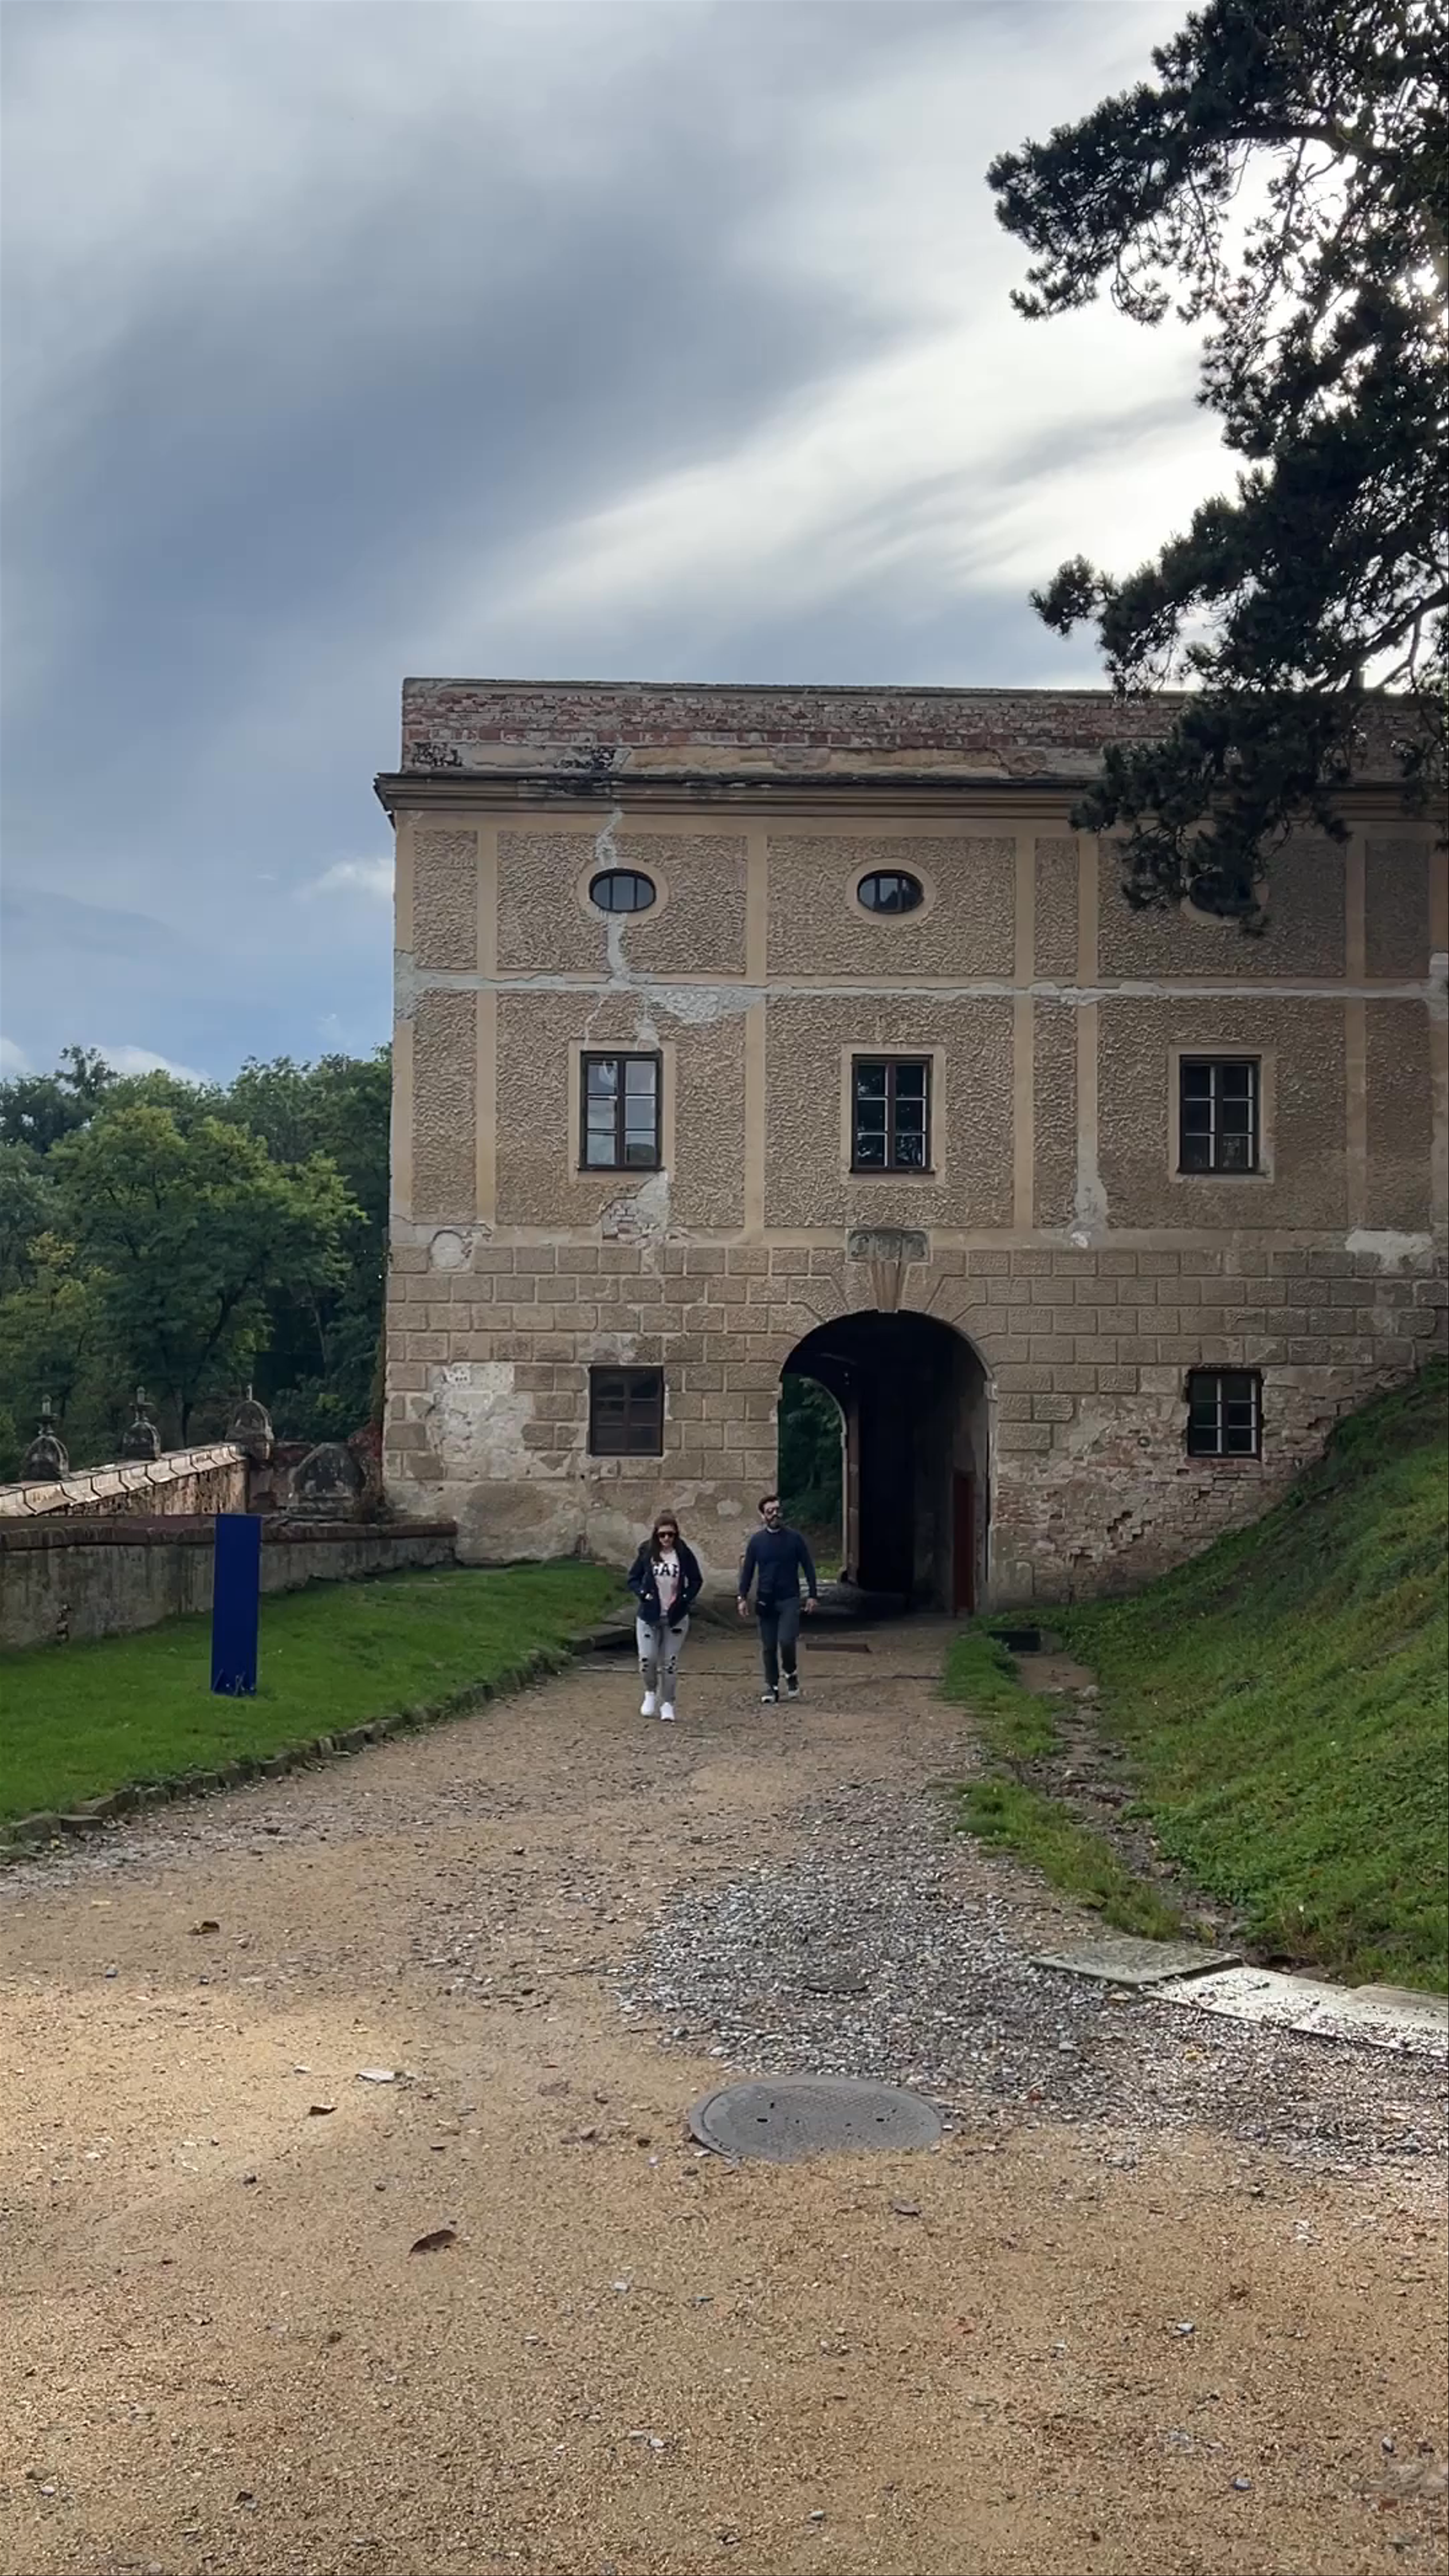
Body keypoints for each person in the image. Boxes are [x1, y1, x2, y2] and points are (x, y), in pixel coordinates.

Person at [736, 1493, 818, 1704]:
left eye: (777, 1510)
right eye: (770, 1511)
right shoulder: (757, 1542)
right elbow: (748, 1570)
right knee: (769, 1646)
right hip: (766, 1599)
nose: (775, 1514)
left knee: (787, 1641)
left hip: (789, 1597)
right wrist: (742, 1597)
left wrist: (812, 1594)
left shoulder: (795, 1539)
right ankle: (771, 1686)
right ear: (763, 1516)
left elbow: (808, 1566)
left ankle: (790, 1673)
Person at [625, 1511, 703, 1723]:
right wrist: (643, 1594)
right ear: (656, 1536)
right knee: (647, 1659)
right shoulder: (647, 1553)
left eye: (671, 1535)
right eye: (662, 1535)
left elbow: (696, 1580)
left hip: (675, 1616)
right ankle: (650, 1692)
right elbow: (633, 1578)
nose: (667, 1539)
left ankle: (668, 1702)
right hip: (649, 1615)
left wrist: (686, 1599)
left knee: (670, 1662)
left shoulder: (684, 1555)